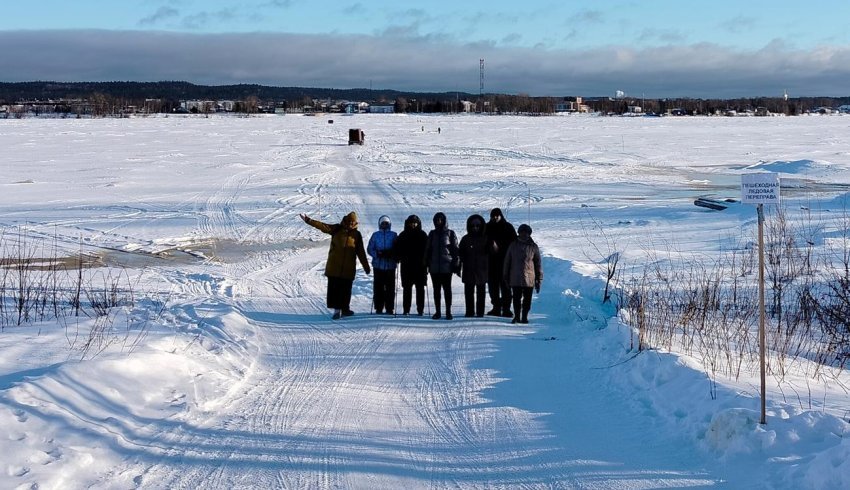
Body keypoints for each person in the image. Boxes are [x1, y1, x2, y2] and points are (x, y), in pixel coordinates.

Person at [300, 212, 371, 320]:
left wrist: (366, 266)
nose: (351, 224)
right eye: (349, 221)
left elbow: (360, 251)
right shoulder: (337, 229)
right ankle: (337, 311)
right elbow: (323, 226)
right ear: (346, 220)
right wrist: (308, 220)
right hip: (335, 266)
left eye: (353, 222)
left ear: (356, 223)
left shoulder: (356, 235)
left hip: (348, 268)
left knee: (346, 289)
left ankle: (345, 309)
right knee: (336, 289)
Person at [503, 224, 542, 324]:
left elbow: (538, 264)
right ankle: (517, 316)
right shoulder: (513, 245)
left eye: (526, 233)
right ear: (519, 233)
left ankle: (524, 316)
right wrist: (505, 276)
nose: (524, 235)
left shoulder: (533, 247)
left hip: (529, 278)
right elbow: (507, 262)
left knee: (527, 300)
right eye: (522, 232)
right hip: (515, 278)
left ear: (529, 234)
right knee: (516, 299)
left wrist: (539, 279)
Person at [425, 212, 459, 320]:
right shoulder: (432, 234)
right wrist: (426, 262)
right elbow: (428, 250)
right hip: (434, 267)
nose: (439, 221)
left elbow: (455, 250)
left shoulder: (450, 233)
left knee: (447, 290)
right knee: (436, 290)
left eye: (440, 220)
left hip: (446, 267)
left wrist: (456, 263)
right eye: (437, 220)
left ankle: (448, 311)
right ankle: (438, 311)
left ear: (444, 221)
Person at [393, 214, 428, 315]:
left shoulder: (423, 235)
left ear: (418, 224)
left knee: (420, 289)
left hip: (420, 266)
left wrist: (427, 261)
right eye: (411, 223)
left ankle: (420, 310)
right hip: (407, 266)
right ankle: (406, 309)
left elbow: (428, 249)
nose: (413, 225)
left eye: (415, 223)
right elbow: (397, 248)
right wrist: (397, 256)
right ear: (407, 223)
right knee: (407, 289)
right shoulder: (403, 235)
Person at [486, 207, 517, 317]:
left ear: (501, 216)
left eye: (497, 215)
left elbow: (514, 243)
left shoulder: (508, 227)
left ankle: (506, 308)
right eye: (493, 216)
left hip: (505, 262)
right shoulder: (487, 227)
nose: (495, 217)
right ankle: (496, 307)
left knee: (506, 287)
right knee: (493, 287)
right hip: (491, 262)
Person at [458, 214, 490, 317]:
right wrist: (462, 262)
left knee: (481, 292)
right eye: (473, 225)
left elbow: (493, 253)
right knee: (468, 292)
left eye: (477, 225)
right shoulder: (465, 239)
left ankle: (480, 312)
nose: (475, 227)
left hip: (482, 269)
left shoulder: (486, 238)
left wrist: (493, 246)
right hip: (469, 269)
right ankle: (469, 311)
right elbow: (460, 253)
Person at [367, 215, 398, 315]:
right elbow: (370, 248)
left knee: (390, 288)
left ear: (389, 224)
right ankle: (379, 307)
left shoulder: (394, 235)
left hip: (390, 265)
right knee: (378, 287)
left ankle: (390, 307)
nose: (384, 225)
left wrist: (391, 254)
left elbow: (398, 248)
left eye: (386, 223)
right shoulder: (375, 235)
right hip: (378, 265)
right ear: (380, 224)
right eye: (383, 223)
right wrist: (377, 254)